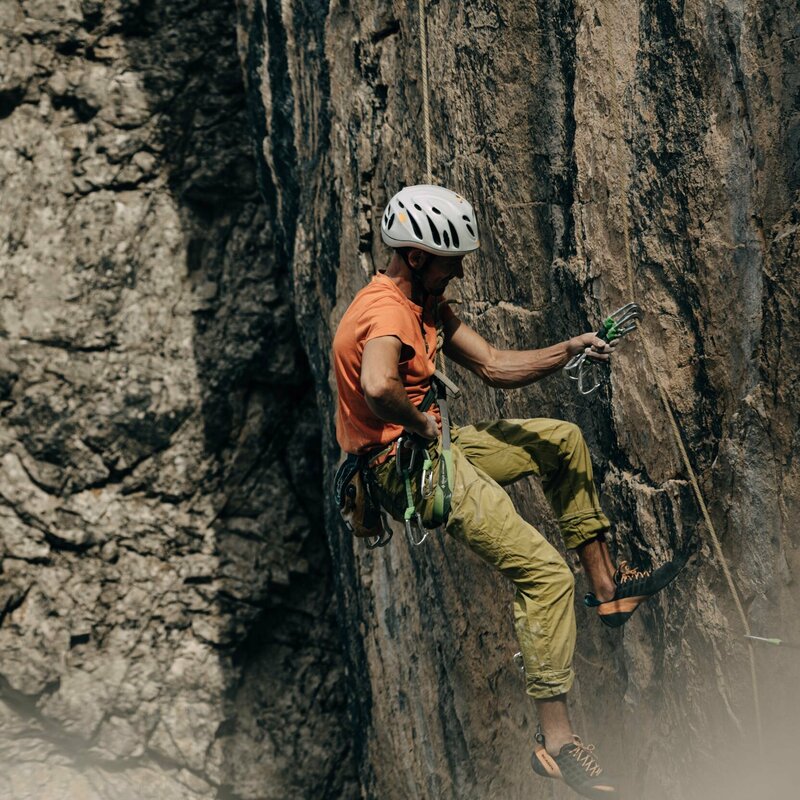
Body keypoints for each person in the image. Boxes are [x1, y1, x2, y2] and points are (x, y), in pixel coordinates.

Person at [332, 184, 683, 799]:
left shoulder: (424, 306)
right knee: (545, 576)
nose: (461, 269)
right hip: (407, 465)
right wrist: (420, 422)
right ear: (417, 257)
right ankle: (557, 744)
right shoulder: (388, 313)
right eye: (452, 260)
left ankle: (608, 588)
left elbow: (493, 364)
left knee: (561, 440)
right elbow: (379, 383)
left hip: (428, 448)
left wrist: (569, 348)